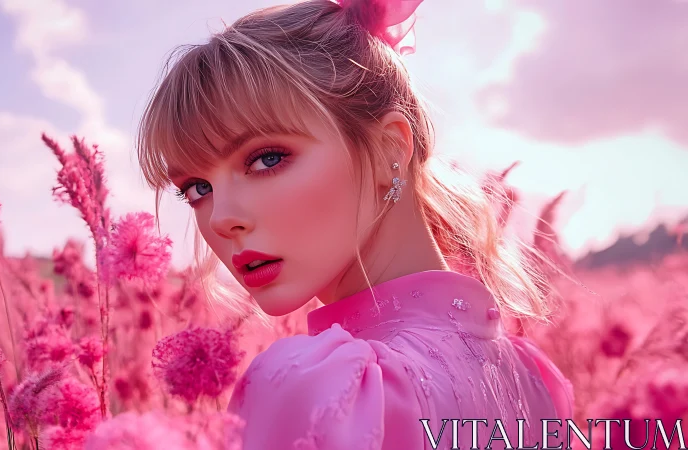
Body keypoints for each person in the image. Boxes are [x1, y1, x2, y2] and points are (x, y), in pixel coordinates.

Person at [137, 0, 575, 448]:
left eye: (267, 159)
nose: (223, 218)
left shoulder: (318, 390)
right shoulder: (536, 381)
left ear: (391, 148)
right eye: (196, 189)